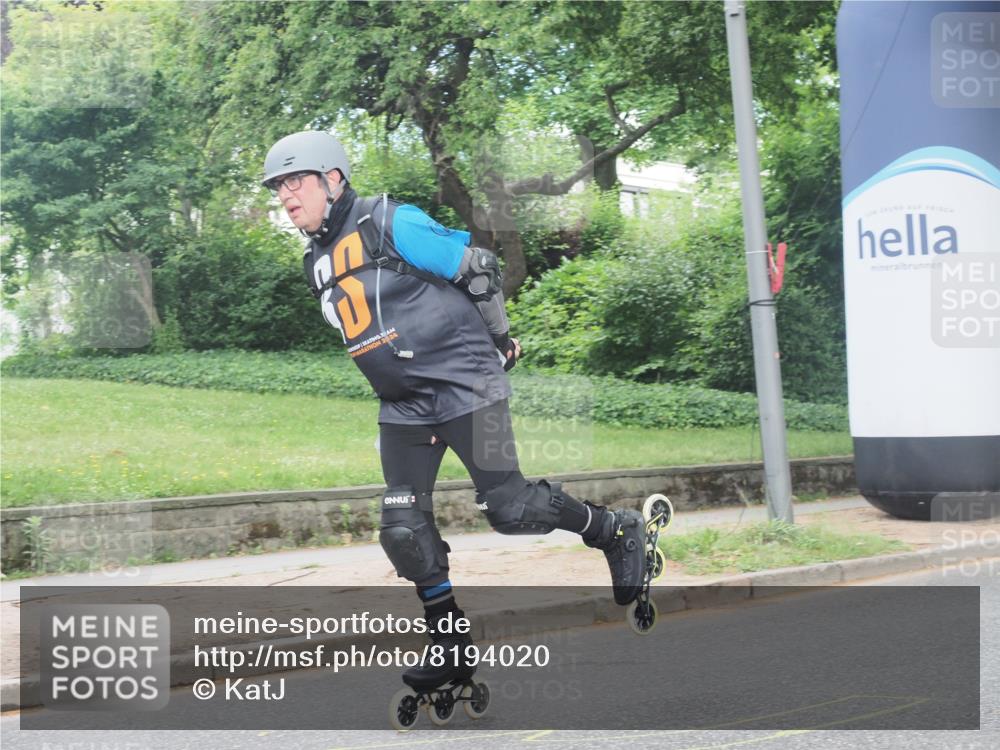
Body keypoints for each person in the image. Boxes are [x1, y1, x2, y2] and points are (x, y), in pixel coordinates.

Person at [262, 130, 647, 690]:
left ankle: (613, 530)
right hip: (403, 407)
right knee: (402, 531)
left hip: (467, 385)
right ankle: (451, 646)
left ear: (333, 179)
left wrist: (499, 337)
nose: (286, 196)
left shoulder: (389, 221)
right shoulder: (315, 262)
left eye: (296, 181)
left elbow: (478, 268)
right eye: (278, 187)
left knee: (512, 508)